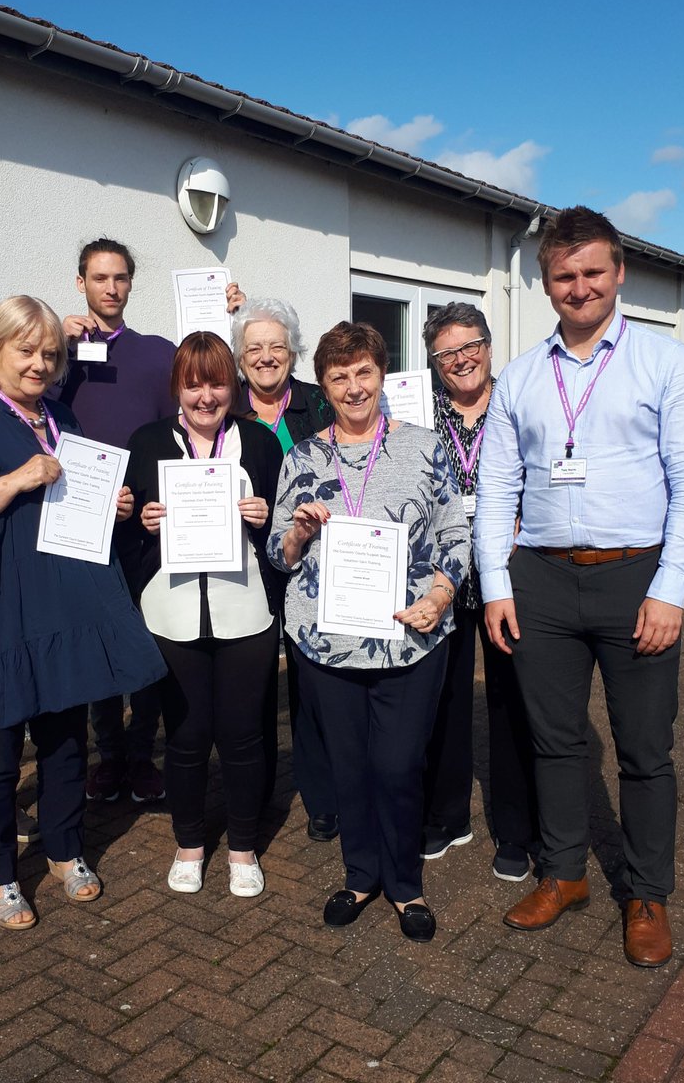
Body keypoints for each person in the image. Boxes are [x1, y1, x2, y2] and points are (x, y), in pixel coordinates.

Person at [475, 206, 684, 968]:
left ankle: (645, 893)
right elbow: (496, 489)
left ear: (619, 274)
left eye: (593, 272)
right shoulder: (519, 377)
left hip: (635, 576)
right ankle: (566, 873)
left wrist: (671, 589)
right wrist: (494, 585)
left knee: (644, 749)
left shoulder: (666, 365)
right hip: (540, 578)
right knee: (556, 741)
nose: (580, 287)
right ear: (545, 282)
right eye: (564, 275)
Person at [0, 296, 165, 929]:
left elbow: (72, 498)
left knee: (63, 739)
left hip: (58, 605)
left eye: (50, 353)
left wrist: (112, 501)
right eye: (25, 350)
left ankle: (63, 849)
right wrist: (15, 480)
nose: (39, 364)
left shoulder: (59, 416)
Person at [268, 321, 470, 942]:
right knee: (350, 766)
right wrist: (299, 531)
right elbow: (279, 552)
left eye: (364, 373)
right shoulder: (303, 457)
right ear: (323, 386)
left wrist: (440, 595)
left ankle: (405, 884)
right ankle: (361, 876)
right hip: (328, 644)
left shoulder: (424, 446)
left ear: (382, 376)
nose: (354, 388)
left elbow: (456, 535)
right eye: (339, 377)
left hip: (410, 638)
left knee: (399, 763)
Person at [51, 238, 242, 805]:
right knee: (96, 641)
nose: (111, 288)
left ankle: (141, 753)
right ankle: (108, 754)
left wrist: (231, 321)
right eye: (99, 277)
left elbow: (194, 421)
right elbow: (40, 414)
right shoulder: (59, 352)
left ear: (131, 284)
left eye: (121, 278)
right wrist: (62, 345)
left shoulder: (158, 352)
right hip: (82, 519)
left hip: (149, 521)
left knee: (148, 638)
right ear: (81, 283)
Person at [125, 332, 283, 898]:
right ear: (178, 388)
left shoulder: (261, 443)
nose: (206, 397)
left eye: (216, 383)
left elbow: (285, 529)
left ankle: (242, 847)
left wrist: (265, 516)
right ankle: (189, 843)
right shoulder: (146, 443)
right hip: (171, 612)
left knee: (242, 736)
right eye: (193, 385)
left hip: (246, 611)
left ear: (232, 385)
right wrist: (139, 521)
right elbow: (121, 522)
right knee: (186, 737)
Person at [421, 303, 538, 881]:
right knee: (443, 697)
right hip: (440, 576)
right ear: (433, 362)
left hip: (507, 576)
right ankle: (446, 817)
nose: (461, 359)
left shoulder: (518, 404)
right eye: (446, 352)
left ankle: (515, 829)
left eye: (471, 346)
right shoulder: (420, 413)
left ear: (490, 347)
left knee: (511, 699)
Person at [230, 296, 337, 839]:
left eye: (277, 345)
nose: (267, 356)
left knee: (312, 689)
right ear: (239, 356)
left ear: (293, 351)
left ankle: (322, 797)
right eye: (254, 347)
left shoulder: (321, 404)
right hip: (247, 563)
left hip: (316, 566)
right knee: (255, 691)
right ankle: (260, 794)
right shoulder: (227, 412)